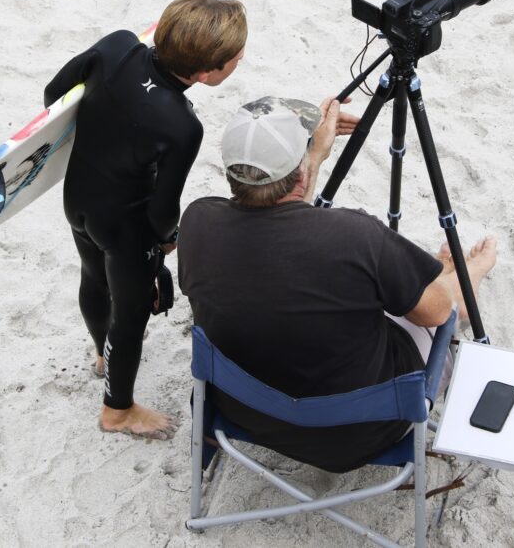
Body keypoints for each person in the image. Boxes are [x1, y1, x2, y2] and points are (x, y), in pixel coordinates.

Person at [177, 96, 497, 471]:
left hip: (244, 410)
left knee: (342, 290)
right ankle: (466, 274)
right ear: (301, 176)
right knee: (443, 304)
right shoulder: (355, 235)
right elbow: (438, 314)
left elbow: (284, 237)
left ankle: (434, 273)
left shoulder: (197, 221)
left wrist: (311, 159)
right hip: (357, 434)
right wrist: (446, 282)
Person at [43, 0, 248, 440]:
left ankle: (103, 356)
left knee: (92, 277)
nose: (240, 59)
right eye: (235, 57)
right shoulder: (182, 125)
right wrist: (167, 239)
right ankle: (117, 411)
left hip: (78, 198)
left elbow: (53, 97)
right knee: (131, 313)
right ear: (207, 74)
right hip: (123, 224)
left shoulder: (118, 45)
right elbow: (162, 208)